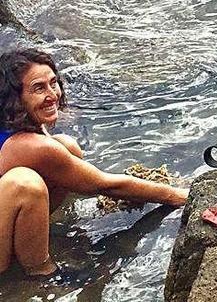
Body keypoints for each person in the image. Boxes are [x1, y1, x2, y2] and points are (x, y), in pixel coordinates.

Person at [0, 48, 188, 279]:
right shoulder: (29, 146)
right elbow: (105, 185)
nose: (52, 95)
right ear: (15, 99)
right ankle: (43, 275)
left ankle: (27, 242)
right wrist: (178, 196)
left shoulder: (19, 127)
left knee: (67, 147)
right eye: (39, 88)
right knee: (25, 184)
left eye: (53, 83)